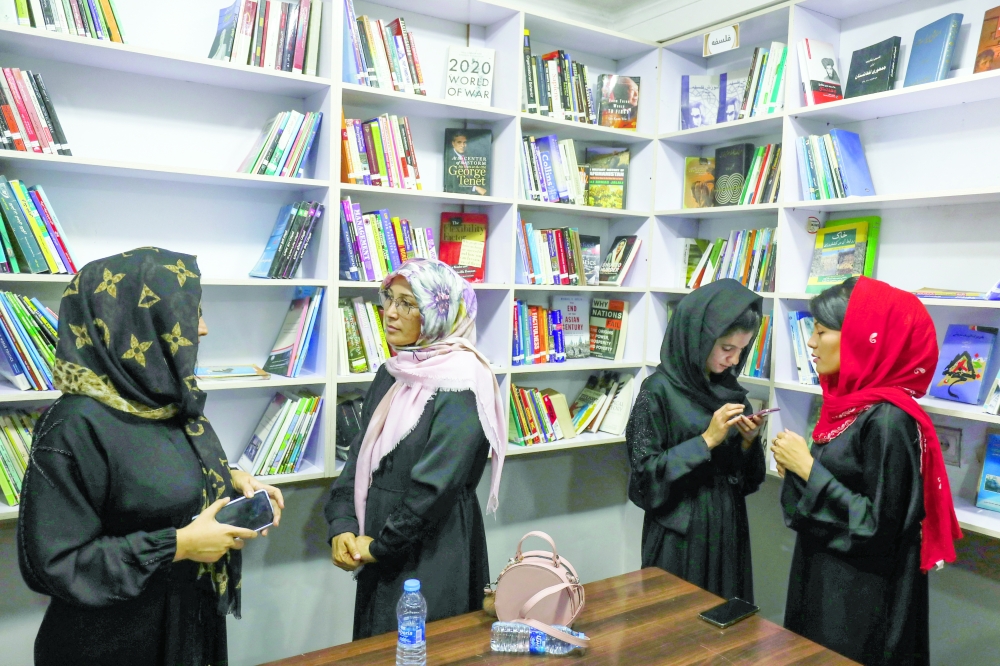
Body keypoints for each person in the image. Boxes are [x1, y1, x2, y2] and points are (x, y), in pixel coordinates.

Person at [17, 248, 285, 666]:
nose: (203, 328)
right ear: (136, 321)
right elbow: (55, 563)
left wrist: (229, 478)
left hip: (187, 626)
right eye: (189, 313)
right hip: (113, 645)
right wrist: (179, 545)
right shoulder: (72, 425)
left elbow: (152, 468)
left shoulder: (161, 398)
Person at [772, 277, 962, 666]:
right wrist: (797, 469)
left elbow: (881, 525)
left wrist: (808, 469)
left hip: (862, 597)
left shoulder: (889, 420)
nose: (810, 343)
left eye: (821, 332)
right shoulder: (849, 402)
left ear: (862, 337)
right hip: (827, 574)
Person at [325, 258, 506, 639]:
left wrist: (379, 546)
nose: (390, 312)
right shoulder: (394, 371)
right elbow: (360, 456)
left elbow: (436, 488)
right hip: (376, 544)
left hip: (432, 549)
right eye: (388, 297)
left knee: (425, 647)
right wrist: (341, 524)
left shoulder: (463, 383)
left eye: (408, 303)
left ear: (439, 312)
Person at [626, 279, 767, 601]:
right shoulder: (656, 390)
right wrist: (705, 440)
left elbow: (743, 480)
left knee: (725, 621)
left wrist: (747, 443)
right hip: (679, 530)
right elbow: (644, 477)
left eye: (741, 350)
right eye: (726, 348)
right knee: (675, 626)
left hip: (727, 523)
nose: (733, 360)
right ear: (698, 340)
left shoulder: (729, 390)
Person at [444, 130, 488, 195]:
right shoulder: (449, 159)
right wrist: (475, 188)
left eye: (465, 142)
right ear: (453, 143)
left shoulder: (471, 157)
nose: (462, 145)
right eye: (459, 142)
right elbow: (453, 186)